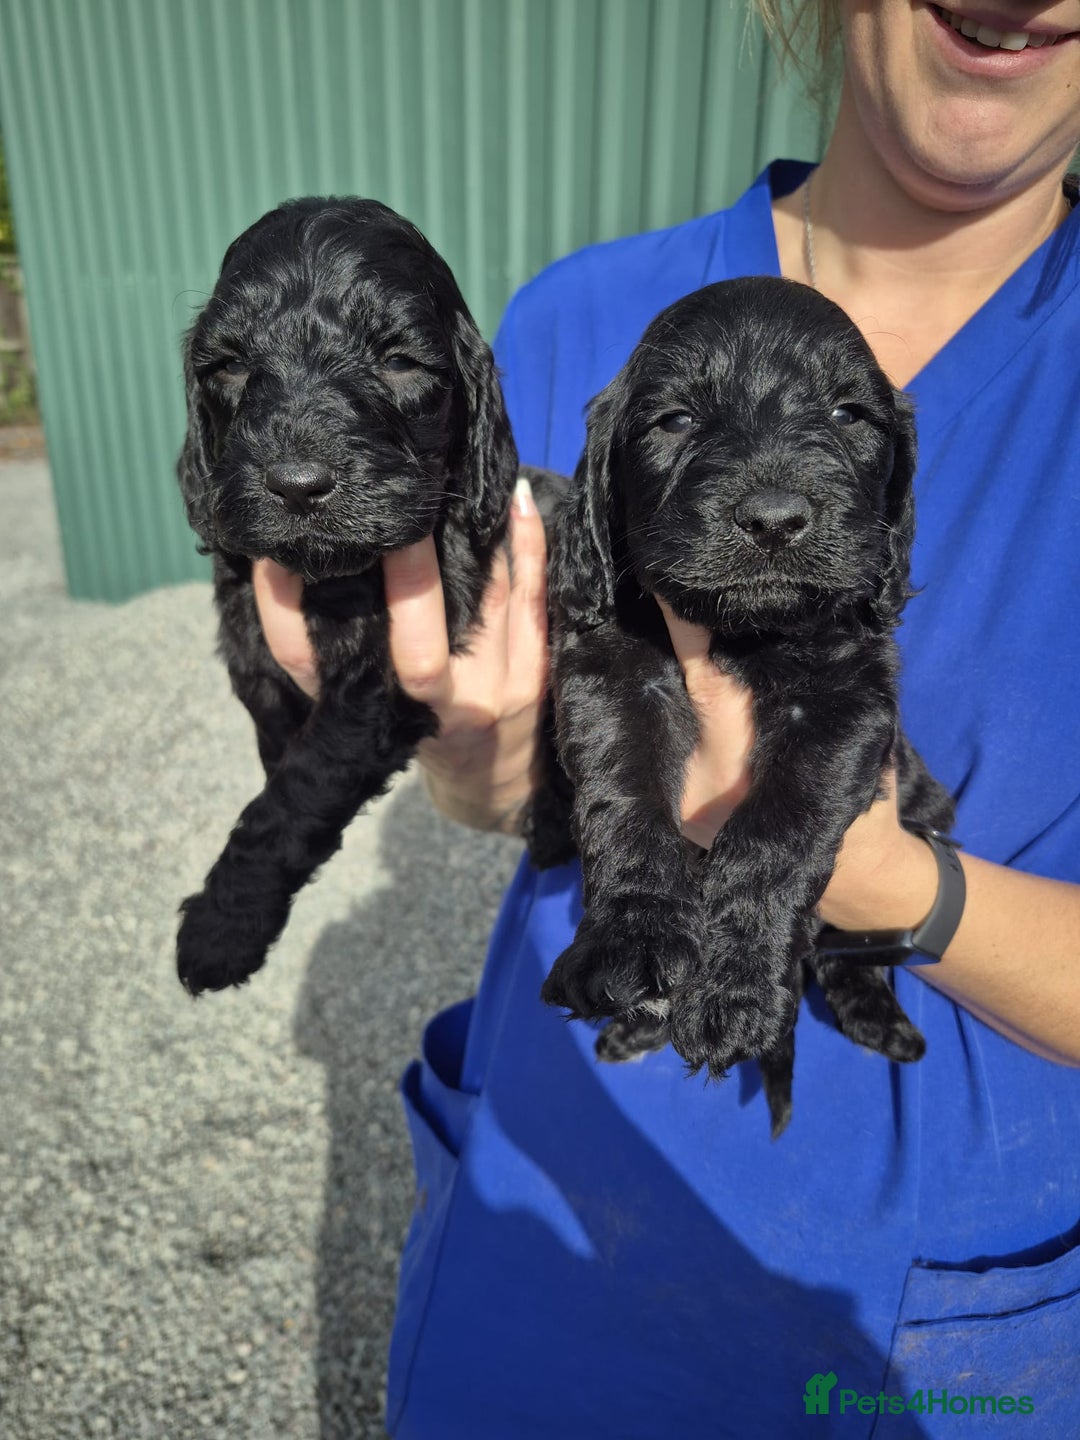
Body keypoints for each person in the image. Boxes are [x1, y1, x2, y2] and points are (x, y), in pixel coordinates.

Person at [257, 2, 1080, 1433]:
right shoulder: (572, 316)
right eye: (684, 431)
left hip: (933, 1328)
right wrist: (473, 760)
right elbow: (505, 778)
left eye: (844, 430)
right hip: (548, 1231)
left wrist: (890, 882)